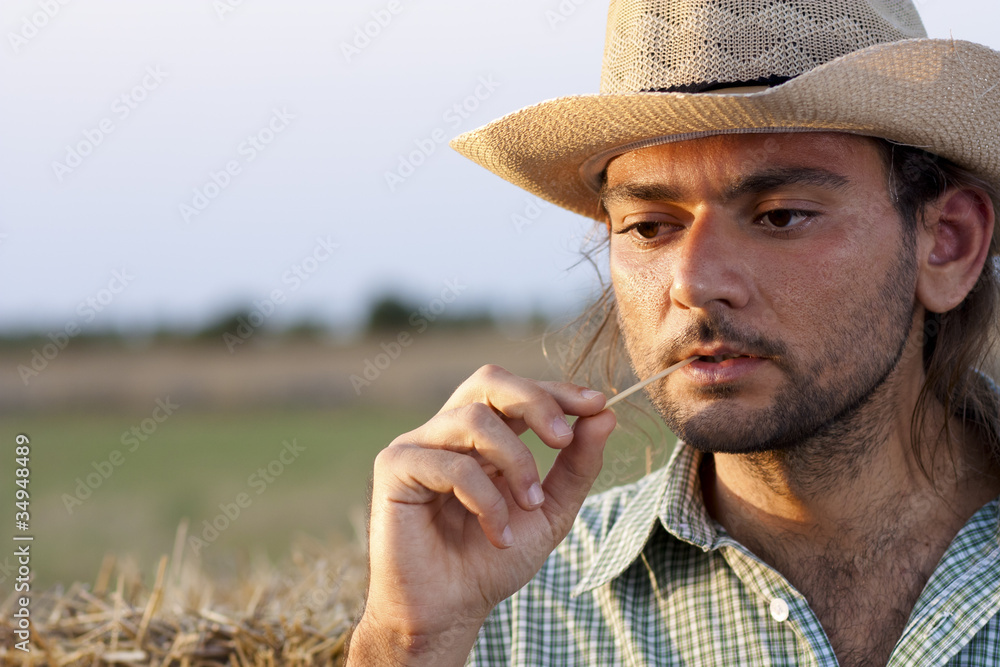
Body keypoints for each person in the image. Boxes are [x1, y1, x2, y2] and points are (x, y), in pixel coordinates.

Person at [347, 1, 1000, 665]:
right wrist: (408, 642)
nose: (692, 281)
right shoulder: (499, 607)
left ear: (947, 244)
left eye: (780, 216)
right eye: (650, 226)